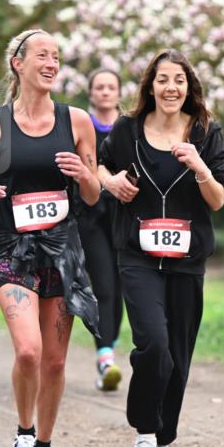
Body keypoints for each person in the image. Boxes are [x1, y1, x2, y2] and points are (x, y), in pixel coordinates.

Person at [0, 29, 100, 447]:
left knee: (55, 360)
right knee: (29, 351)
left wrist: (83, 175)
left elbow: (93, 194)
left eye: (57, 56)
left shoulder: (77, 121)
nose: (52, 63)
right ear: (18, 64)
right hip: (10, 250)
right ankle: (23, 433)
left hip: (61, 251)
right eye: (43, 55)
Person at [97, 49, 224, 447]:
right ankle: (144, 434)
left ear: (189, 87)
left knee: (178, 356)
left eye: (179, 80)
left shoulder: (206, 132)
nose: (171, 88)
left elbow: (218, 200)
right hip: (137, 254)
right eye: (163, 80)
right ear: (150, 86)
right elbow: (99, 166)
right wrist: (111, 183)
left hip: (187, 260)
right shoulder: (127, 130)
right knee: (154, 345)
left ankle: (163, 446)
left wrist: (200, 166)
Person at [76, 69, 123, 391]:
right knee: (104, 287)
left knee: (122, 289)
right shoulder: (81, 126)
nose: (105, 92)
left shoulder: (131, 127)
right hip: (91, 217)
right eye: (100, 87)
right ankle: (105, 357)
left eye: (111, 87)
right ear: (91, 93)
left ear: (119, 93)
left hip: (126, 217)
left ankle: (109, 348)